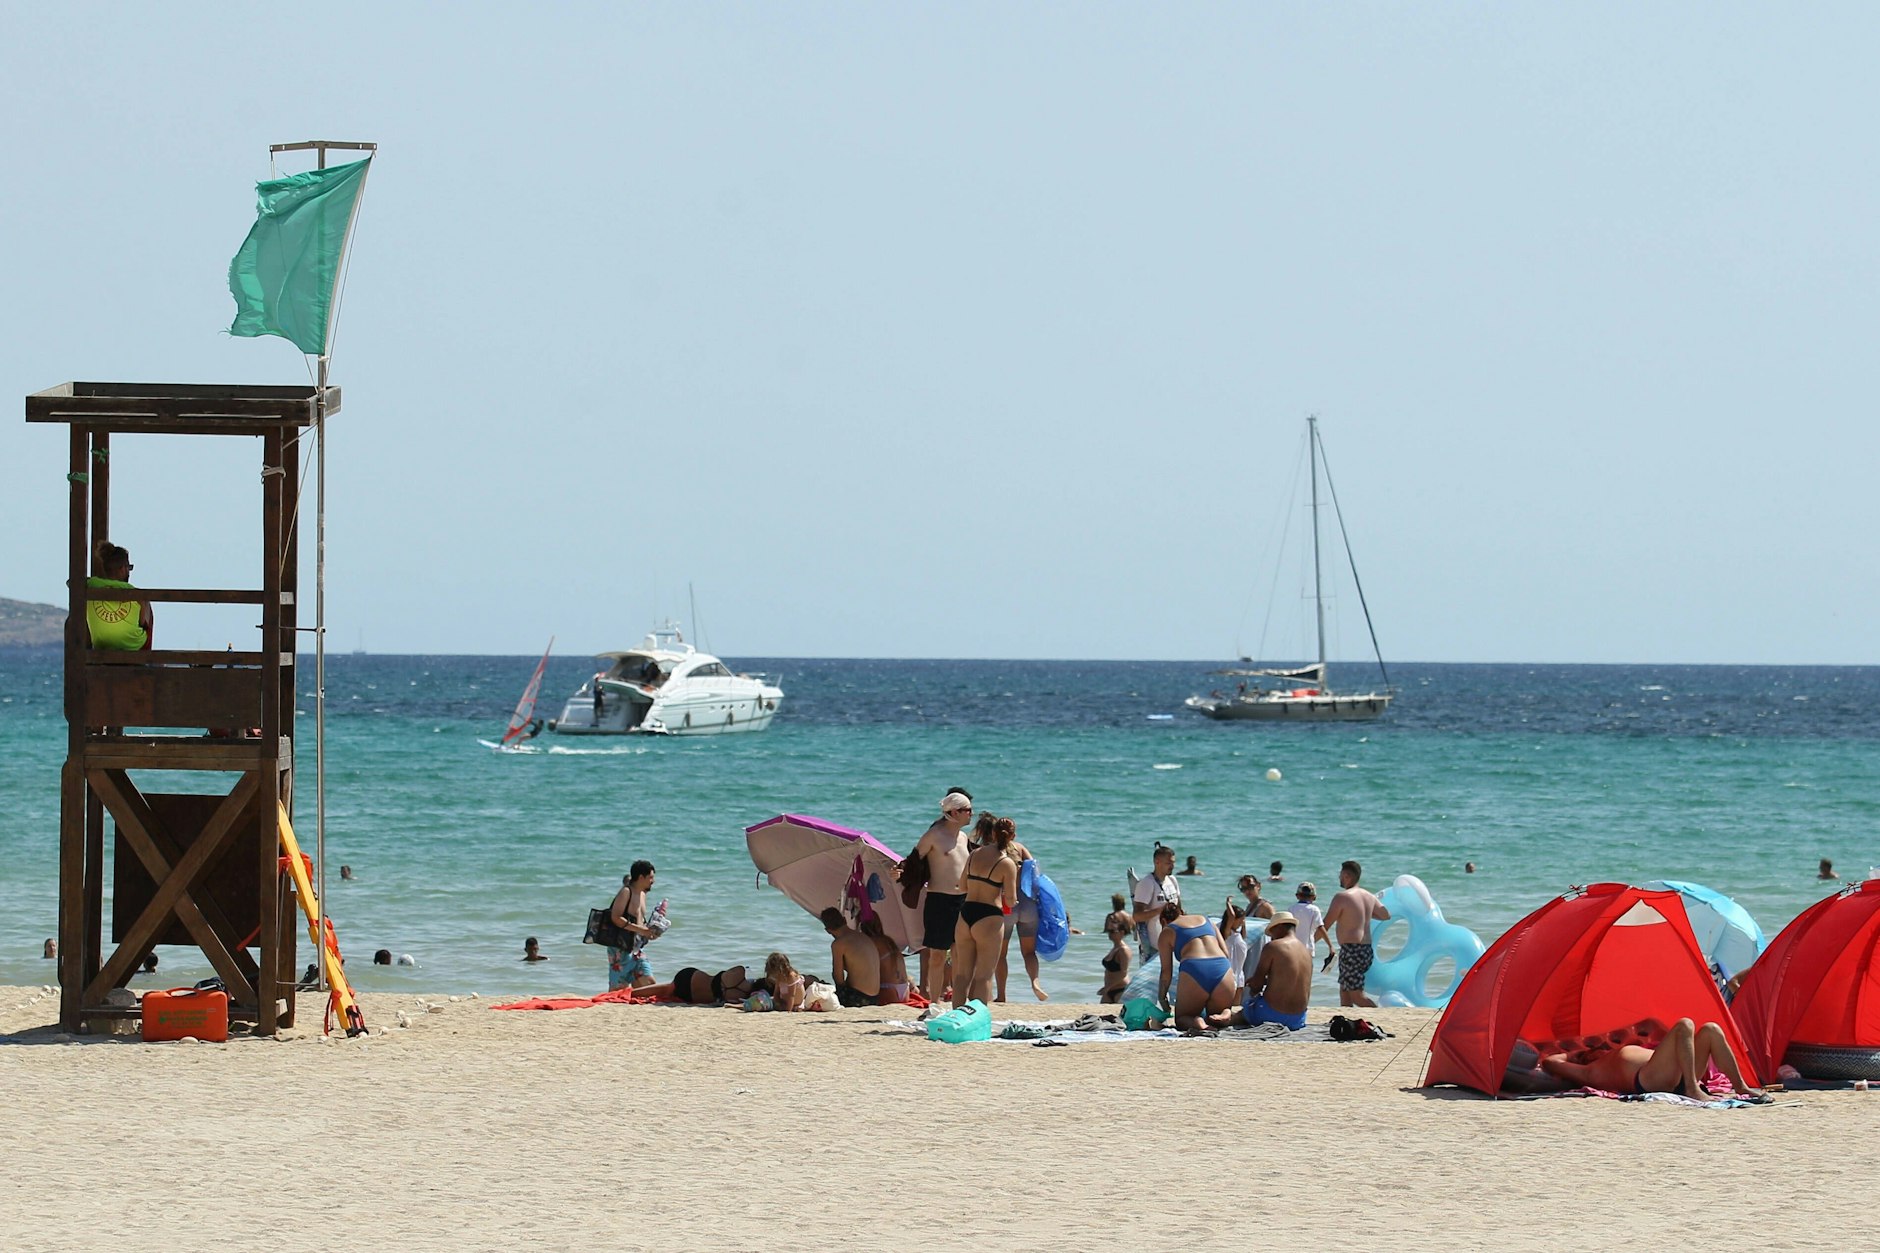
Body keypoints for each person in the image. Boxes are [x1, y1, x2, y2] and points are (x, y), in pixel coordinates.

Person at [1539, 1018, 1765, 1099]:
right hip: (1650, 1080)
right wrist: (1575, 1054)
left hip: (1674, 1073)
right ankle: (1692, 1089)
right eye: (1591, 1050)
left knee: (1711, 1029)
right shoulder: (1592, 1070)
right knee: (1684, 1025)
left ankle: (1741, 1086)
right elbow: (1550, 1062)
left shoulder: (1615, 1053)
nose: (1599, 1048)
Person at [909, 789, 974, 1000]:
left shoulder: (964, 837)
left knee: (959, 955)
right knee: (937, 956)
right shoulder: (934, 835)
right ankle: (934, 1002)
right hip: (939, 900)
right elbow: (913, 861)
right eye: (967, 810)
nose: (971, 814)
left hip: (963, 901)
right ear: (955, 813)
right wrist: (899, 872)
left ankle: (958, 1002)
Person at [1206, 911, 1312, 1031]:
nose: (1271, 936)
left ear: (1280, 927)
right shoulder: (1306, 951)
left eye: (1272, 932)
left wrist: (1253, 986)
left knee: (1242, 1013)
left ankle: (1227, 1018)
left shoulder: (1273, 946)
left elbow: (1257, 984)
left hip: (1272, 1014)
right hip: (1298, 1018)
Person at [953, 817, 1019, 1008]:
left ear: (992, 833)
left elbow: (962, 885)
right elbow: (1010, 900)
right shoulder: (1007, 863)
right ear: (1012, 837)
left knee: (962, 974)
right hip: (989, 916)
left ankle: (956, 1017)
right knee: (984, 976)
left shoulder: (974, 854)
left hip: (966, 913)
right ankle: (976, 1019)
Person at [987, 815, 1050, 1003]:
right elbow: (1036, 874)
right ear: (1013, 834)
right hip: (1027, 905)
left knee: (1001, 954)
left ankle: (1002, 995)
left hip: (1006, 906)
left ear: (993, 833)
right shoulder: (1020, 848)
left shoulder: (990, 852)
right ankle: (1035, 983)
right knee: (1029, 953)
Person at [1156, 902, 1237, 1033]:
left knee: (1183, 1018)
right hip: (1222, 968)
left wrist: (1162, 997)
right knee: (1215, 1017)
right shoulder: (1207, 920)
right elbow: (1226, 953)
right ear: (1182, 913)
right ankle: (1226, 1013)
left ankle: (1197, 1022)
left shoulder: (1168, 931)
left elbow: (1166, 972)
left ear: (1164, 920)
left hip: (1195, 969)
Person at [1322, 860, 1390, 1008]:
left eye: (1340, 874)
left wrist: (1307, 945)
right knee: (1344, 991)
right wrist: (1364, 914)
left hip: (1352, 950)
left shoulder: (1342, 897)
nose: (1339, 877)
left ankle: (1378, 1017)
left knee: (1356, 996)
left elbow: (1325, 924)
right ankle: (1347, 1024)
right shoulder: (1369, 896)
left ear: (1347, 876)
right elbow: (1386, 915)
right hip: (1365, 950)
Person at [86, 542, 152, 651]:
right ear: (122, 569)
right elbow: (142, 623)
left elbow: (71, 583)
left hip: (101, 644)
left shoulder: (91, 585)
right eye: (129, 568)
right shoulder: (135, 593)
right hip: (132, 646)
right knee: (147, 609)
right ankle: (145, 662)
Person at [606, 860, 659, 990]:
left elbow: (640, 921)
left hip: (637, 947)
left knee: (648, 982)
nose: (653, 881)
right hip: (620, 947)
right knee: (617, 990)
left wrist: (650, 932)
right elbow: (616, 917)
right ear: (641, 877)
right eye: (651, 877)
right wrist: (641, 929)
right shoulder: (626, 892)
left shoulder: (642, 894)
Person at [822, 907, 882, 1007]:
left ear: (828, 930)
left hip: (859, 997)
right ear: (845, 920)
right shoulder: (863, 937)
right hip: (875, 997)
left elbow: (838, 976)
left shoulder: (838, 944)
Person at [1131, 845, 1181, 963]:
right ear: (1157, 862)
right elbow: (1137, 916)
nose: (1172, 866)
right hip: (1154, 946)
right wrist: (1161, 910)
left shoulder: (1172, 880)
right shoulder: (1147, 883)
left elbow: (1180, 910)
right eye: (1168, 863)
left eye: (1173, 862)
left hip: (1174, 942)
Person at [644, 965, 756, 1005]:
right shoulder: (740, 999)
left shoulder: (740, 972)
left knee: (668, 988)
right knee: (668, 989)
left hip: (693, 977)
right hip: (692, 997)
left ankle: (632, 992)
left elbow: (737, 969)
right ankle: (632, 992)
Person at [1290, 882, 1326, 971]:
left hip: (1292, 947)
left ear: (1297, 895)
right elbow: (1321, 928)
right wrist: (1331, 947)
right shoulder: (1314, 910)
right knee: (1306, 975)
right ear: (1314, 897)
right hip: (1308, 948)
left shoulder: (1291, 908)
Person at [1099, 915, 1131, 1003]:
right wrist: (1107, 988)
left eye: (1113, 931)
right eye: (1109, 931)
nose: (1110, 934)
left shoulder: (1124, 950)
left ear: (1122, 932)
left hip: (1121, 990)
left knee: (1119, 1015)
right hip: (1109, 990)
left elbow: (1123, 973)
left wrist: (1107, 988)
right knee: (1102, 1014)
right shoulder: (1115, 948)